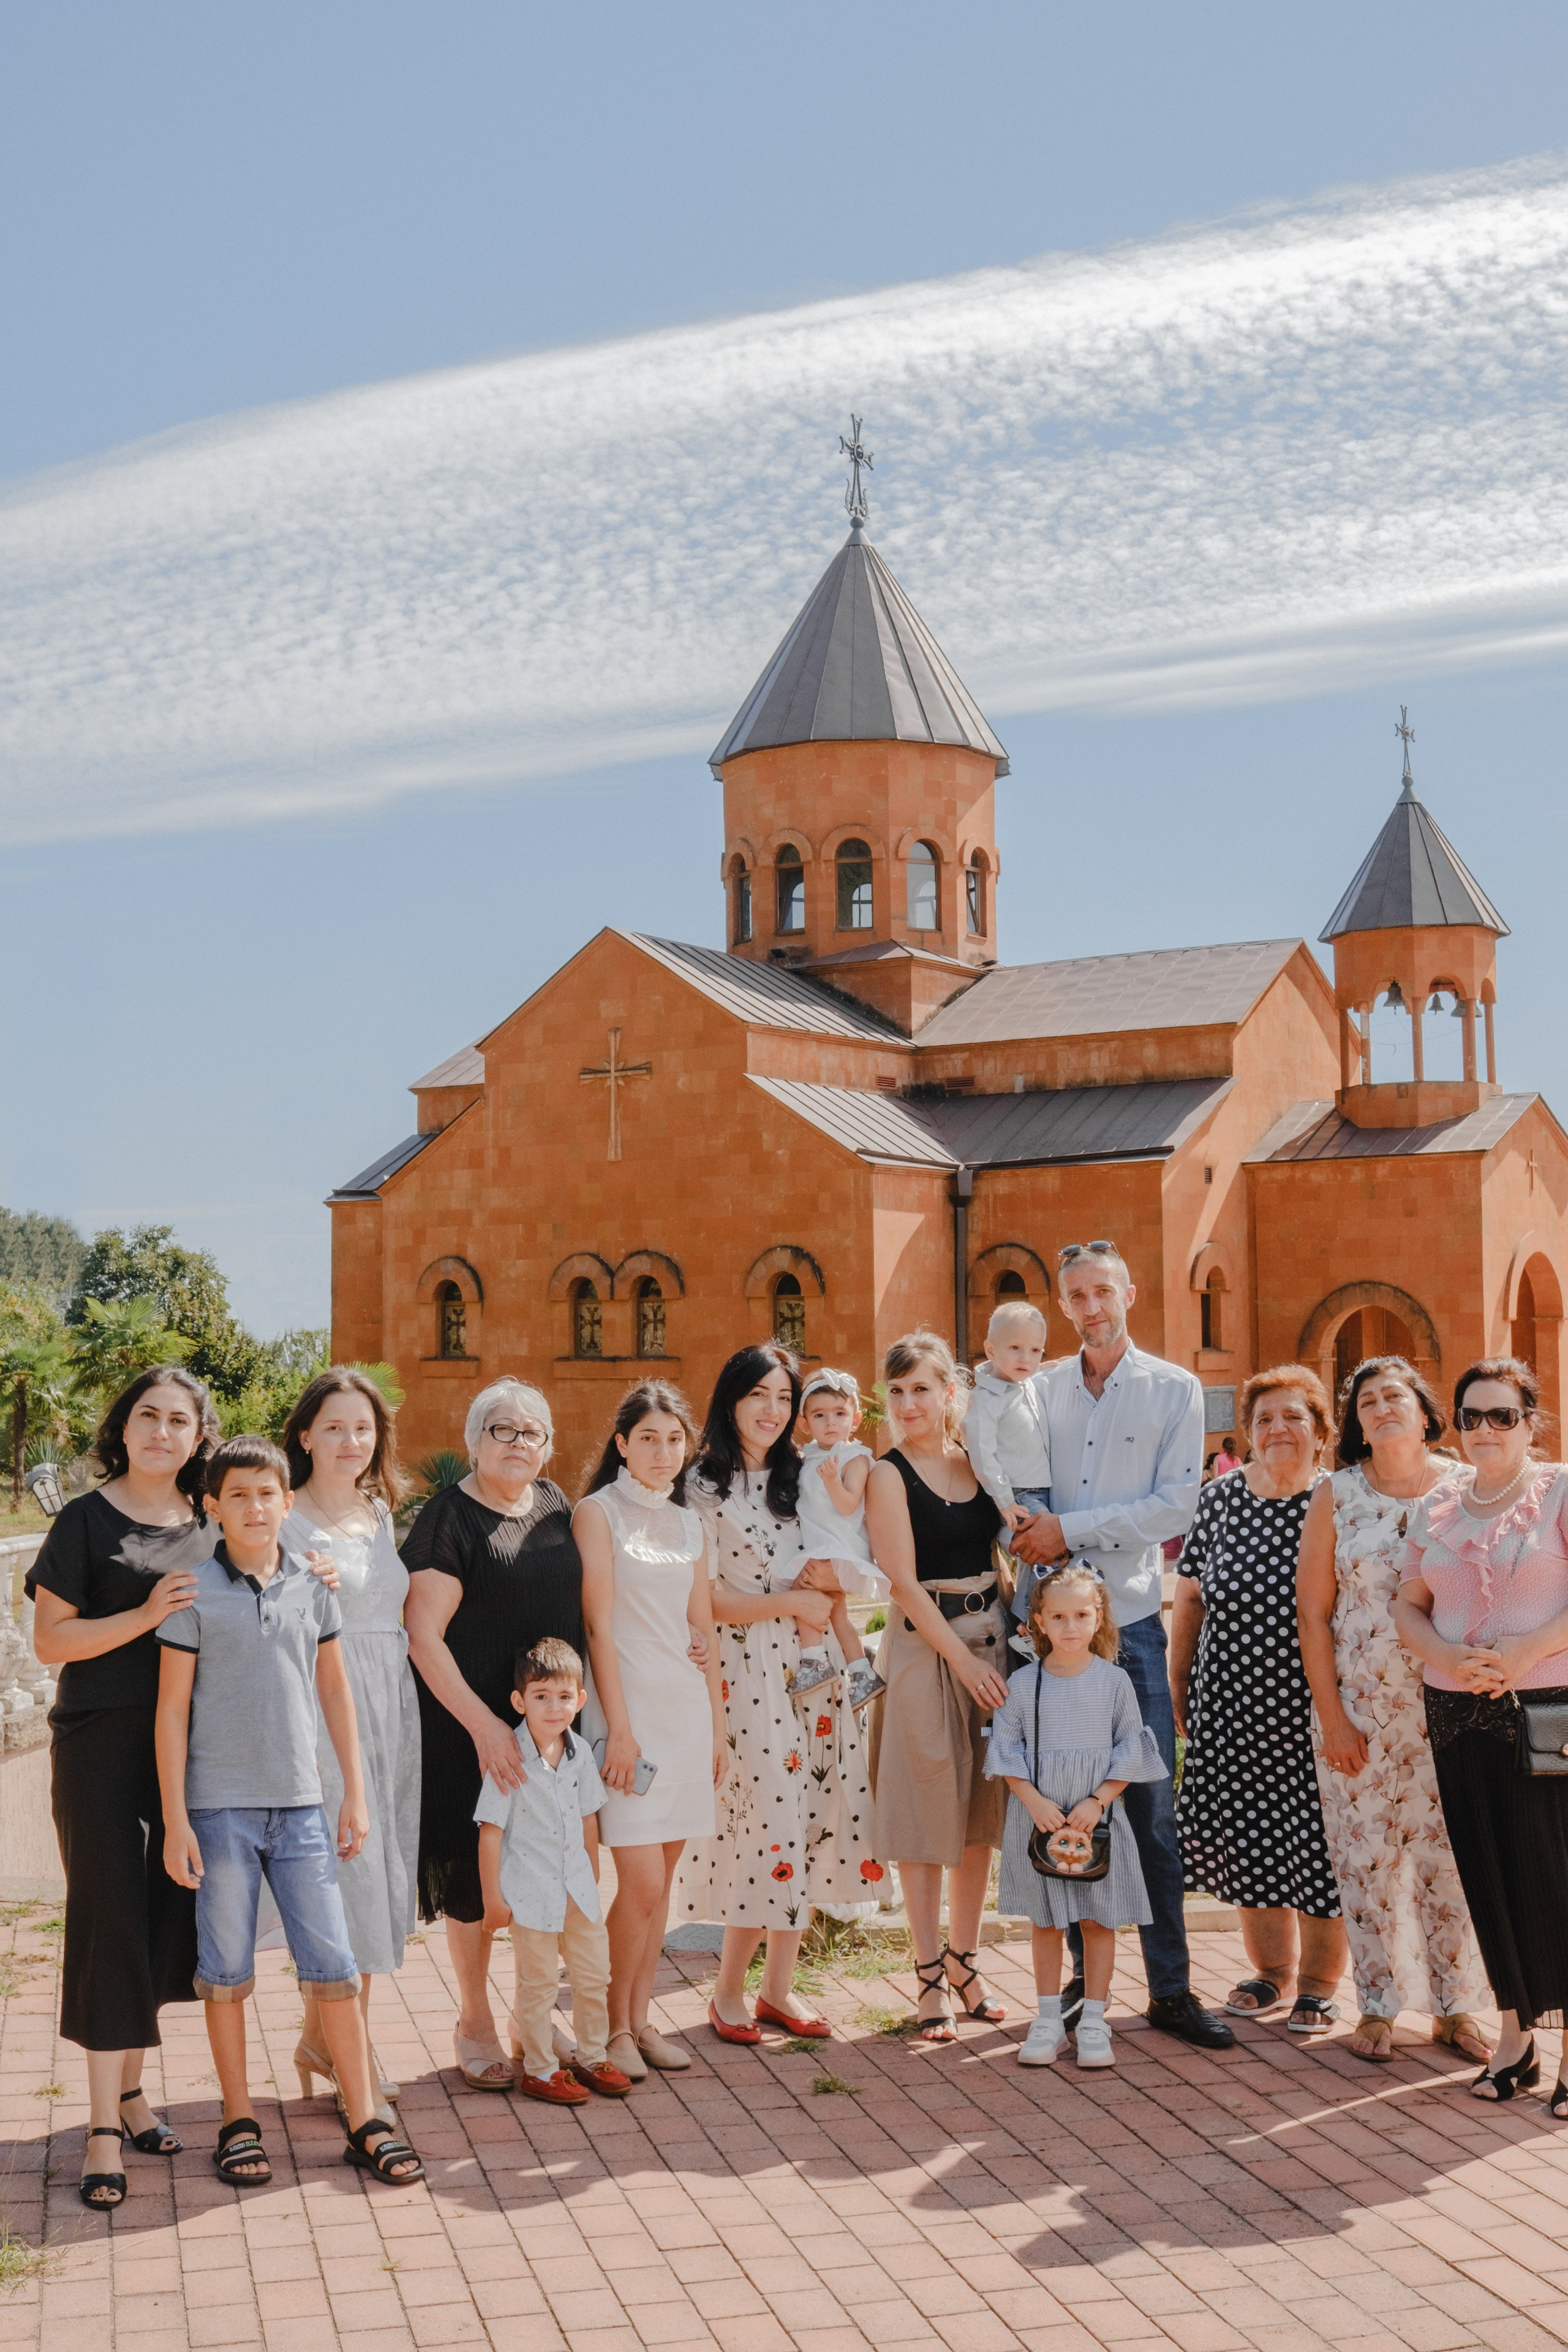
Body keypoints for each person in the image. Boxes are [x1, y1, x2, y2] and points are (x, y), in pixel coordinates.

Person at [154, 1437, 423, 2186]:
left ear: (288, 1502)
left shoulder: (314, 1583)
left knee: (334, 1965)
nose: (254, 1508)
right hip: (219, 1811)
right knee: (226, 1970)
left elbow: (335, 1693)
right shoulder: (192, 1593)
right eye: (236, 1496)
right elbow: (172, 1711)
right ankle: (239, 2119)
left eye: (266, 1494)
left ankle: (365, 2116)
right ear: (212, 1508)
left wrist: (357, 1793)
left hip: (304, 1806)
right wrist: (177, 1817)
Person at [1011, 1241, 1232, 2049]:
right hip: (1056, 1636)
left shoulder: (1174, 1389)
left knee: (1151, 1812)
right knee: (1068, 1808)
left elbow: (1176, 1506)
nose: (1092, 1306)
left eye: (1103, 1290)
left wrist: (1069, 1529)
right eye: (1077, 1296)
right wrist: (1028, 1525)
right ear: (1063, 1304)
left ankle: (1171, 1991)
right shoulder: (1038, 1393)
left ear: (1130, 1291)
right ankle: (1080, 1984)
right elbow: (1017, 1486)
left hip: (1131, 1624)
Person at [27, 1365, 219, 2207]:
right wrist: (145, 1616)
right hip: (102, 1747)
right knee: (109, 1921)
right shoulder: (84, 1519)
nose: (163, 1432)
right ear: (126, 1425)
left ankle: (134, 2092)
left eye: (180, 1420)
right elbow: (50, 1643)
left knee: (162, 1919)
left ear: (198, 1437)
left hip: (192, 1754)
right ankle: (103, 2126)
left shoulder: (210, 1522)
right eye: (149, 1415)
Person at [675, 1342, 877, 2040]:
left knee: (812, 1815)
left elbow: (841, 1551)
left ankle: (780, 1990)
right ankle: (727, 1990)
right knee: (763, 1822)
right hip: (746, 1670)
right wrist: (791, 1605)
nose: (772, 1410)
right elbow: (705, 1599)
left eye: (783, 1397)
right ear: (730, 1399)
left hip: (812, 1670)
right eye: (758, 1395)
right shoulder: (701, 1485)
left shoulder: (804, 1474)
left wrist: (826, 1605)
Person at [1297, 1357, 1490, 2064]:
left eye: (1393, 1397)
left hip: (1457, 1709)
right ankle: (1376, 2006)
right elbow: (1313, 1616)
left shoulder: (1467, 1488)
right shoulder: (1337, 1495)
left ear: (1422, 1410)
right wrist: (1334, 1717)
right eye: (1366, 1401)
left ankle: (1458, 2007)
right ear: (1356, 1423)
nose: (1380, 1408)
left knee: (1456, 1858)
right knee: (1368, 1858)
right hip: (1362, 1712)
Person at [1394, 1358, 1568, 2111]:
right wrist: (1443, 1656)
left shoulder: (1560, 1489)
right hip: (1455, 1711)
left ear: (1531, 1421)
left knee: (1553, 1879)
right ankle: (1515, 2040)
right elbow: (1408, 1603)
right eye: (1471, 1417)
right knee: (1486, 1875)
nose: (1484, 1430)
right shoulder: (1438, 1503)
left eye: (1502, 1415)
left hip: (1543, 1710)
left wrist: (1526, 1652)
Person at [403, 1378, 582, 2090]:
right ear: (474, 1439)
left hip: (547, 1731)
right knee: (473, 1884)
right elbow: (422, 1636)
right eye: (501, 1430)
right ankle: (474, 2020)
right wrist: (485, 1728)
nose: (517, 1443)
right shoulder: (448, 1519)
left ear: (547, 1446)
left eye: (531, 1431)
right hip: (469, 1731)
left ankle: (530, 2017)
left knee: (544, 1872)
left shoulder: (555, 1504)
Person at [1172, 1366, 1348, 2032]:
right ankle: (1271, 1972)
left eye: (1293, 1417)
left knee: (1319, 1843)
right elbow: (1188, 1598)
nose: (1278, 1430)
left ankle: (1320, 1982)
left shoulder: (1337, 1501)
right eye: (1265, 1419)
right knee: (1249, 1840)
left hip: (1314, 1706)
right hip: (1231, 1702)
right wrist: (1180, 1685)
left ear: (1321, 1432)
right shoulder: (1218, 1500)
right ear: (1247, 1433)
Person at [576, 1382, 726, 2082]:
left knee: (659, 1887)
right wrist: (621, 1732)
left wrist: (719, 1730)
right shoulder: (596, 1514)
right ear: (621, 1444)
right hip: (627, 1720)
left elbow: (704, 1630)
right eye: (647, 1439)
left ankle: (638, 2021)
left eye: (674, 1440)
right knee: (634, 1884)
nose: (662, 1453)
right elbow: (599, 1629)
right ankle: (607, 2029)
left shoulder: (690, 1523)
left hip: (686, 1716)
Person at [864, 1330, 1009, 2041]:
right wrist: (964, 1662)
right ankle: (926, 1977)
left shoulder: (977, 1461)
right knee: (927, 1821)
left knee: (980, 1819)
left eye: (920, 1388)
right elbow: (902, 1583)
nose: (907, 1403)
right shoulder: (887, 1474)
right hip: (929, 1651)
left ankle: (964, 1960)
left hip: (993, 1639)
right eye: (895, 1391)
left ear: (949, 1392)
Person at [281, 1368, 420, 2105]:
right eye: (333, 1427)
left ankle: (319, 2038)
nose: (349, 1441)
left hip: (391, 1701)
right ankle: (351, 2053)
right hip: (325, 1707)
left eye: (362, 1428)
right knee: (349, 1877)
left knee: (378, 1870)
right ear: (304, 1435)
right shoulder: (283, 1514)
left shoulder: (378, 1510)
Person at [988, 1565, 1166, 2069]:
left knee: (1097, 1919)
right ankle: (1047, 2020)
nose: (1070, 1626)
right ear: (1039, 1622)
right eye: (1059, 1616)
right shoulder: (1024, 1685)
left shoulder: (1114, 1683)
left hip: (1096, 1824)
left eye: (1082, 1615)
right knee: (1045, 1921)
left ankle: (1094, 2019)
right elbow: (1006, 1749)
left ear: (1099, 1617)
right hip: (1040, 1819)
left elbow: (1132, 1747)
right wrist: (1034, 1801)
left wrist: (1099, 1800)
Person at [477, 1638, 631, 2104]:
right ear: (520, 1701)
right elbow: (490, 1832)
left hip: (578, 1893)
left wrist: (593, 1878)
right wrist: (492, 1900)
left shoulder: (580, 1752)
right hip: (530, 1896)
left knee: (592, 1976)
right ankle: (542, 2069)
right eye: (541, 1696)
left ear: (580, 1701)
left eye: (564, 1697)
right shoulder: (510, 1757)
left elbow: (588, 1819)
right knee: (539, 1984)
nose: (553, 1707)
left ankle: (591, 2055)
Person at [793, 1368, 885, 1709]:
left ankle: (814, 1660)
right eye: (820, 1416)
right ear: (805, 1424)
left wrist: (832, 1480)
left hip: (838, 1545)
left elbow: (848, 1506)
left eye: (840, 1414)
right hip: (821, 1543)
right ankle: (861, 1672)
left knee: (800, 1594)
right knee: (838, 1614)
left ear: (855, 1419)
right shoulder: (810, 1456)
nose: (831, 1423)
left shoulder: (855, 1457)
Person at [962, 1299, 1053, 1627]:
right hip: (1017, 1493)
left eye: (1035, 1351)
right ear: (990, 1350)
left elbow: (1046, 1371)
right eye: (1015, 1348)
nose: (1025, 1359)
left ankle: (1030, 1615)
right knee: (1045, 1552)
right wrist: (1005, 1501)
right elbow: (982, 1454)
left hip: (1041, 1488)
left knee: (1043, 1558)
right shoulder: (988, 1399)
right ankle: (1028, 1620)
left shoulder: (1025, 1383)